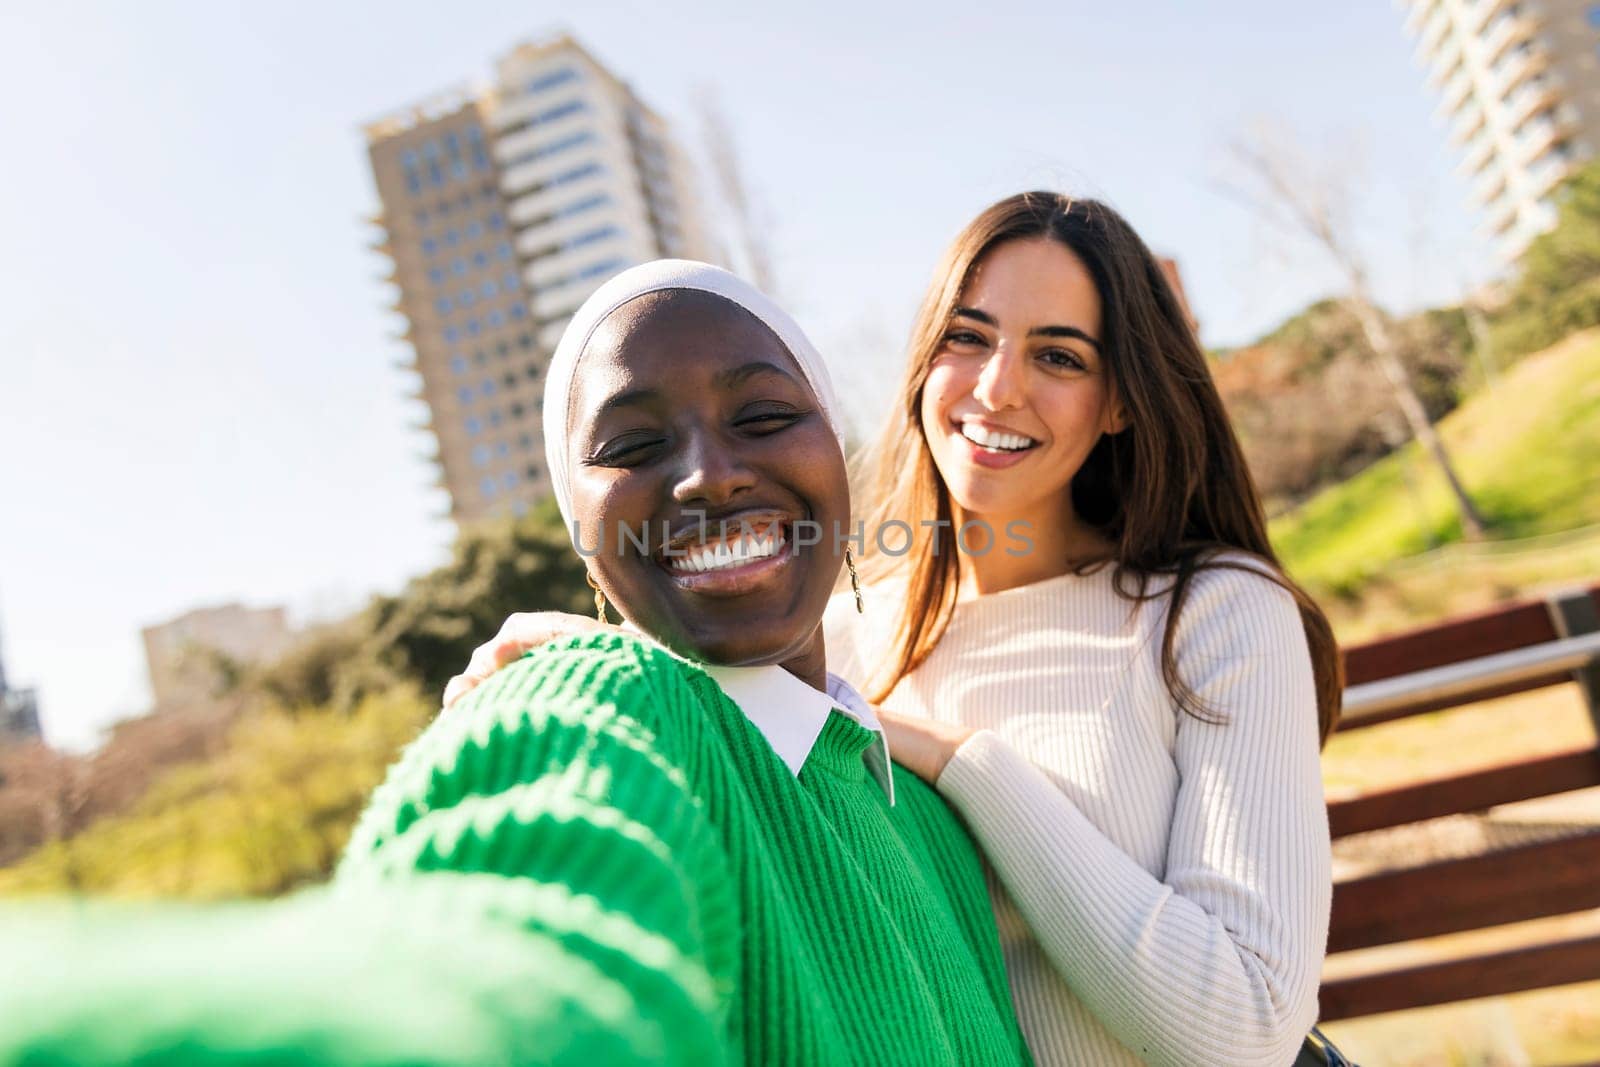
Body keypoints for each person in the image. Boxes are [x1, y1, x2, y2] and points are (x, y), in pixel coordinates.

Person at [0, 261, 1032, 1067]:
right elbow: (503, 960)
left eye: (762, 417)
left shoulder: (936, 824)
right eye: (629, 447)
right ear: (576, 525)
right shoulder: (605, 706)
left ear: (836, 459)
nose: (709, 476)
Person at [449, 195, 1338, 1067]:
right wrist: (621, 658)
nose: (998, 387)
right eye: (968, 336)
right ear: (922, 362)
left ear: (1120, 402)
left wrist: (965, 762)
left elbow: (1246, 1029)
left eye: (1059, 356)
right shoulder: (834, 642)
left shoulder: (1216, 610)